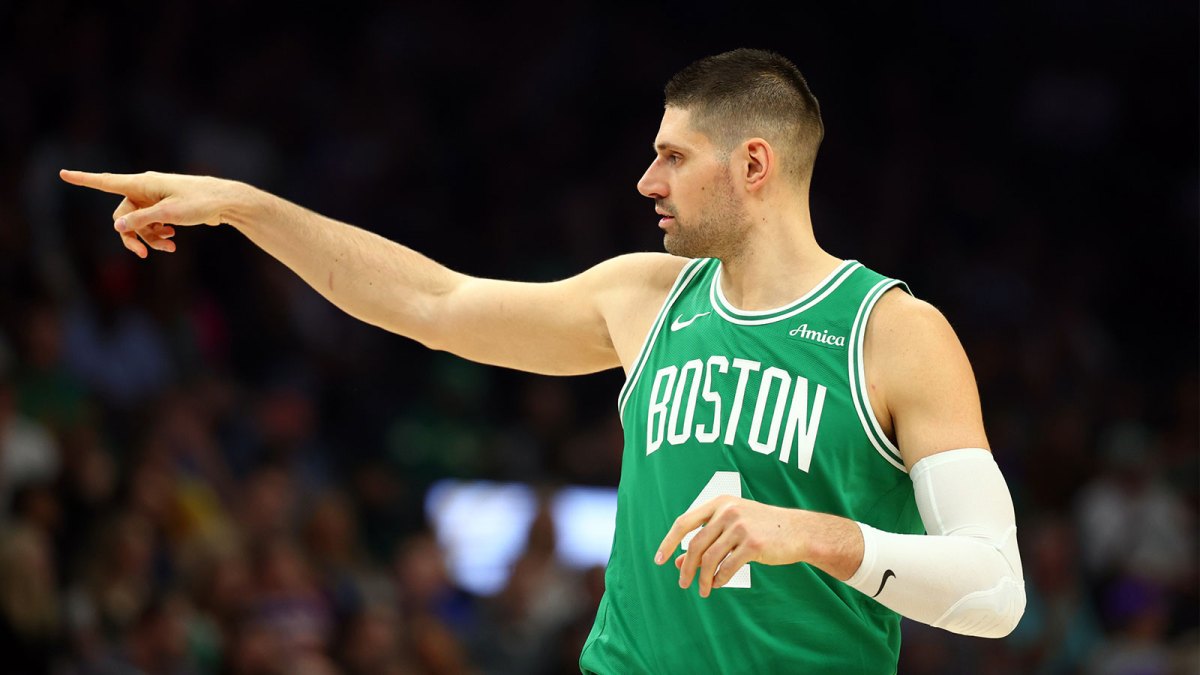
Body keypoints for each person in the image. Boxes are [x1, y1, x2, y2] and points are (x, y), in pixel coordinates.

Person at [61, 48, 1025, 673]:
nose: (646, 180)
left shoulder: (892, 331)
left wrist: (813, 535)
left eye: (673, 157)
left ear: (755, 166)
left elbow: (993, 591)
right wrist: (244, 206)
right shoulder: (644, 297)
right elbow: (432, 303)